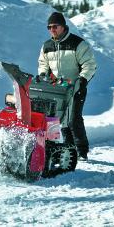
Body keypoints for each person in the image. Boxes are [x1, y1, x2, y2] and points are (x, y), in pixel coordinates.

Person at [38, 12, 96, 160]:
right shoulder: (47, 46)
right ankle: (65, 150)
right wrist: (44, 74)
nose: (52, 29)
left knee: (73, 119)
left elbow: (89, 64)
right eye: (49, 27)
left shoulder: (77, 43)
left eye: (55, 26)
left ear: (63, 27)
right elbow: (43, 63)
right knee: (57, 121)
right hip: (57, 88)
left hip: (76, 87)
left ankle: (81, 151)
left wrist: (83, 80)